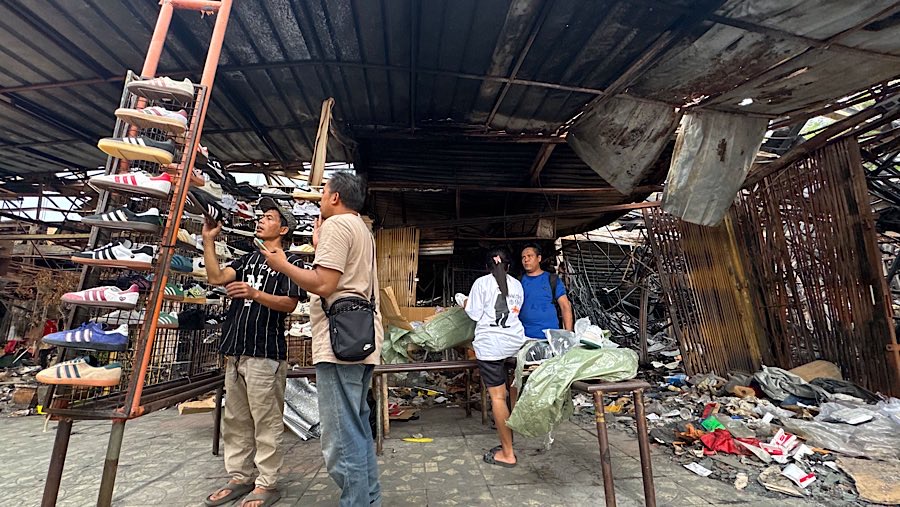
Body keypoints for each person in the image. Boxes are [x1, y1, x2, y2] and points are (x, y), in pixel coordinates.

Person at [258, 172, 383, 507]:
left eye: (323, 193)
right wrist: (318, 246)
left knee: (340, 439)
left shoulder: (337, 226)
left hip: (339, 344)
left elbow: (325, 285)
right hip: (360, 338)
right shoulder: (360, 228)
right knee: (356, 430)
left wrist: (282, 263)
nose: (320, 199)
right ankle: (367, 501)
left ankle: (356, 503)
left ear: (335, 197)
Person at [202, 198, 305, 507]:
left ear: (283, 228)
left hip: (266, 353)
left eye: (269, 218)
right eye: (261, 216)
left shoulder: (293, 262)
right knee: (235, 420)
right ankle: (240, 477)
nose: (261, 221)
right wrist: (208, 240)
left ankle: (268, 482)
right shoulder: (247, 259)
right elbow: (216, 278)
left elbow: (290, 303)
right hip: (235, 350)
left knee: (266, 422)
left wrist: (254, 293)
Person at [464, 247, 526, 467]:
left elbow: (474, 314)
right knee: (512, 389)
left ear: (487, 267)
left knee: (498, 397)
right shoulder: (517, 285)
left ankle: (507, 453)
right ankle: (512, 435)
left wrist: (464, 303)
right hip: (515, 343)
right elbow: (516, 311)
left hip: (491, 345)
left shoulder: (481, 283)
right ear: (508, 266)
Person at [519, 243, 574, 339]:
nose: (526, 260)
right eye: (523, 257)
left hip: (549, 337)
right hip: (523, 337)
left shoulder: (552, 279)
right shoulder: (518, 282)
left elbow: (565, 306)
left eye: (529, 256)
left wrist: (568, 335)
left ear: (539, 258)